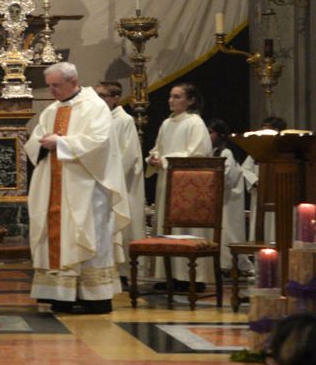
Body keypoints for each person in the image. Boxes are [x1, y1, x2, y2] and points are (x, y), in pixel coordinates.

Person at [26, 61, 129, 314]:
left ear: (73, 82)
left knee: (86, 234)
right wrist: (42, 144)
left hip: (86, 187)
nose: (52, 91)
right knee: (57, 236)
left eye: (56, 86)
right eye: (49, 86)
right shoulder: (50, 111)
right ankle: (61, 295)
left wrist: (61, 142)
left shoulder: (95, 107)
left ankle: (94, 296)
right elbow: (34, 141)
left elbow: (99, 141)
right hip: (54, 184)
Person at [146, 82, 212, 284]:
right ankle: (169, 275)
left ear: (190, 100)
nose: (171, 100)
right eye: (170, 96)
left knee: (185, 227)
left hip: (188, 184)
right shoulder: (167, 123)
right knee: (166, 225)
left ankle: (191, 277)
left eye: (177, 97)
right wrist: (154, 158)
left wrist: (165, 160)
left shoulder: (195, 122)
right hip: (167, 180)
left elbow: (197, 153)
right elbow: (158, 148)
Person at [95, 81, 145, 282]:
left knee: (122, 226)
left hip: (120, 183)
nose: (98, 101)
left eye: (103, 96)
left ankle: (124, 272)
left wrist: (111, 178)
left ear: (115, 98)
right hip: (101, 181)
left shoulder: (124, 120)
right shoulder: (98, 119)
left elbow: (130, 154)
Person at [207, 118, 249, 272]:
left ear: (220, 135)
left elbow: (228, 177)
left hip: (227, 199)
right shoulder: (211, 151)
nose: (207, 136)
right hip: (216, 197)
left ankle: (230, 264)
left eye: (210, 132)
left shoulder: (226, 152)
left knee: (227, 230)